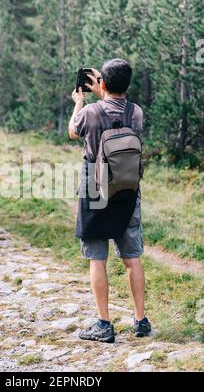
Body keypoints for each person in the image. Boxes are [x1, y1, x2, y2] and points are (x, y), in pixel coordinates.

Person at [68, 59, 151, 343]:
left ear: (102, 83)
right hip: (127, 188)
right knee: (132, 258)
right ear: (127, 84)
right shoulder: (137, 112)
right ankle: (141, 320)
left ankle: (104, 324)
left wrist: (79, 101)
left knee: (97, 258)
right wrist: (105, 91)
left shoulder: (89, 112)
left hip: (95, 187)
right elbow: (118, 112)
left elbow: (72, 130)